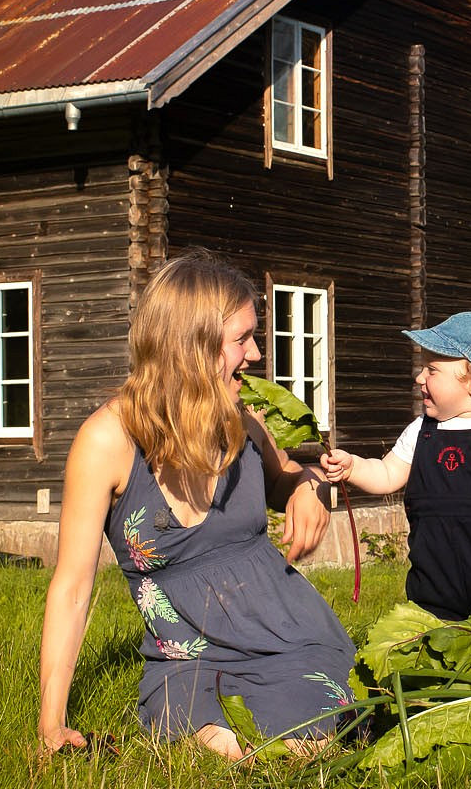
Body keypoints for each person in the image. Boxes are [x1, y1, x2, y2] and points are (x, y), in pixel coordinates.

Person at [38, 251, 355, 760]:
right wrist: (50, 725)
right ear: (191, 347)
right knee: (210, 750)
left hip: (286, 635)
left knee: (307, 751)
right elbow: (73, 588)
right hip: (183, 655)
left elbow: (292, 478)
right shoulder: (107, 441)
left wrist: (308, 488)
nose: (254, 355)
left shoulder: (244, 419)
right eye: (241, 340)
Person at [319, 312, 471, 620]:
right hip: (431, 588)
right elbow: (386, 474)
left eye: (432, 370)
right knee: (433, 657)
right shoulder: (421, 430)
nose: (419, 377)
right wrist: (353, 467)